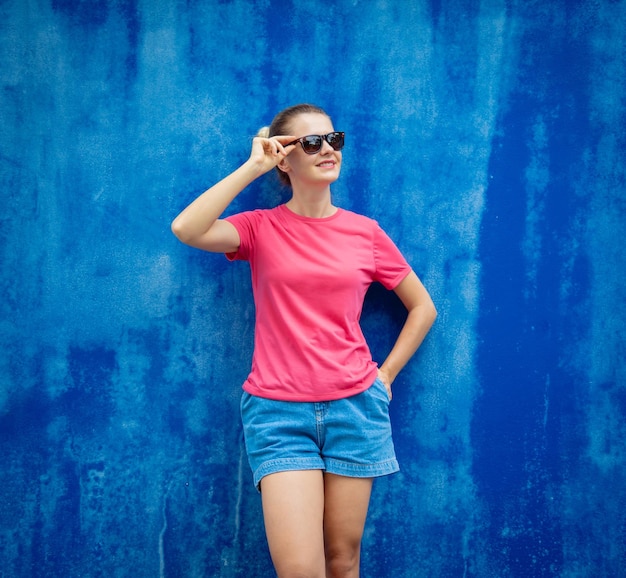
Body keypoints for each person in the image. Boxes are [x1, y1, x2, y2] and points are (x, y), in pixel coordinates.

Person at [171, 103, 437, 578]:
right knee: (300, 569)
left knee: (343, 561)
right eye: (310, 143)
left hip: (356, 408)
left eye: (333, 139)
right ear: (284, 160)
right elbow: (187, 229)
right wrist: (253, 166)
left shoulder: (366, 233)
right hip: (278, 412)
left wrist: (385, 376)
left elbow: (423, 308)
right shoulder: (258, 227)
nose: (327, 149)